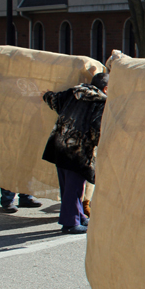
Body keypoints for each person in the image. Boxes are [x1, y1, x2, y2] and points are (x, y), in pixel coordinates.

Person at [42, 72, 108, 234]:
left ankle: (79, 216)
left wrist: (46, 94)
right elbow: (97, 129)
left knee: (67, 185)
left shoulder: (74, 92)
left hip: (59, 144)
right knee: (75, 187)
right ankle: (70, 223)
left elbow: (54, 100)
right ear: (105, 88)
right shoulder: (100, 102)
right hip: (78, 149)